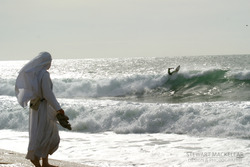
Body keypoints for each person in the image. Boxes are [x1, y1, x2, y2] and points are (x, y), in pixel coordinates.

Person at [15, 52, 70, 167]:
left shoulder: (34, 74)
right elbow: (48, 94)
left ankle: (45, 162)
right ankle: (36, 160)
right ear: (46, 62)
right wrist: (58, 108)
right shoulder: (44, 74)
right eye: (50, 61)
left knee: (42, 133)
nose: (50, 64)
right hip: (43, 108)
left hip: (36, 107)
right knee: (44, 133)